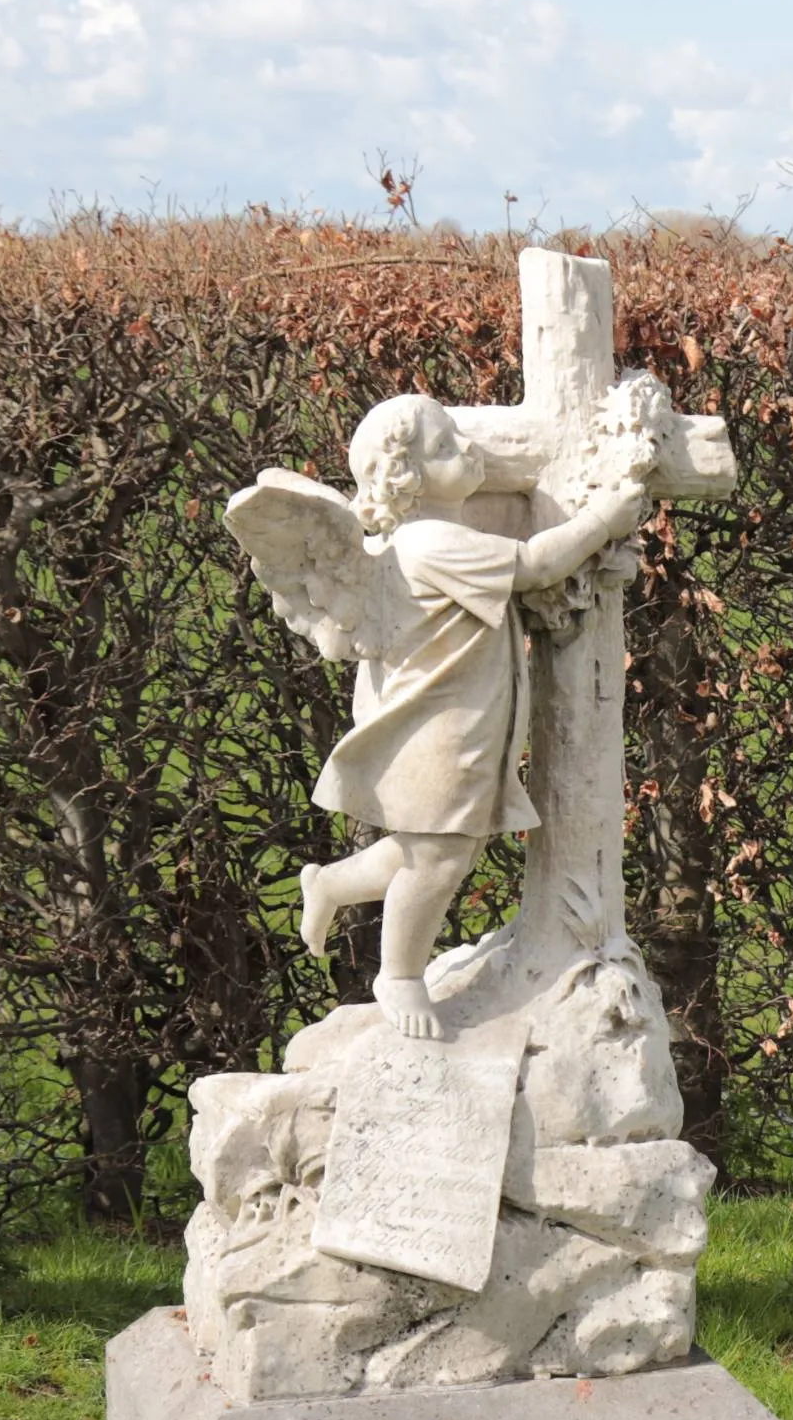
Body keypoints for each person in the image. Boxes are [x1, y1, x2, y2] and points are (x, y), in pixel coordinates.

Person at [227, 391, 653, 1037]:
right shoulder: (433, 545)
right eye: (449, 447)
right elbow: (536, 564)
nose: (470, 449)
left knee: (419, 852)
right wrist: (602, 517)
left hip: (459, 722)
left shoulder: (427, 537)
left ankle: (330, 885)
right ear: (411, 481)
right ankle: (397, 973)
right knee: (440, 860)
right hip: (441, 734)